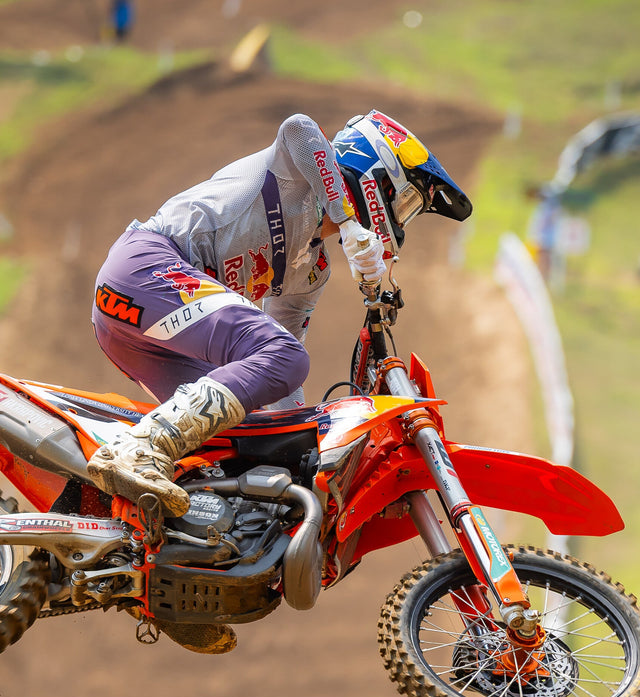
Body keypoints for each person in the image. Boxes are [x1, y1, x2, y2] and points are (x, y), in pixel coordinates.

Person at [85, 111, 470, 643]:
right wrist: (350, 219)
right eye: (404, 200)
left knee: (243, 445)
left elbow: (279, 374)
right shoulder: (298, 169)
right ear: (376, 173)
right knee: (281, 356)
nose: (399, 219)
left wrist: (310, 447)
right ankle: (138, 450)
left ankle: (162, 585)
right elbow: (298, 126)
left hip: (140, 324)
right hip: (147, 267)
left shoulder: (310, 268)